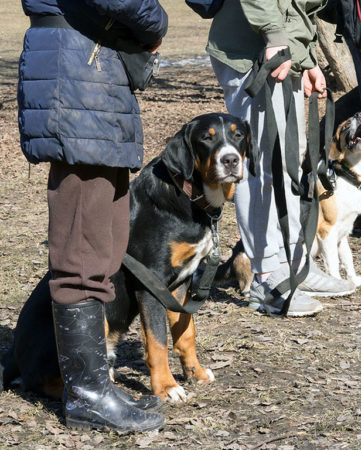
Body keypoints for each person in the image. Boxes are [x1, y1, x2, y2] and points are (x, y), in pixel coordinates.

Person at [18, 0, 168, 432]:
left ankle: (93, 385)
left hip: (88, 66)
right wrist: (156, 20)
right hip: (80, 67)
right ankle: (87, 397)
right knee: (83, 253)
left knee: (104, 244)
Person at [205, 0, 356, 317]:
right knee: (263, 164)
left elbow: (299, 7)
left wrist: (307, 57)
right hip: (255, 51)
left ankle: (295, 261)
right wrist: (275, 36)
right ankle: (265, 276)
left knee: (288, 160)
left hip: (284, 51)